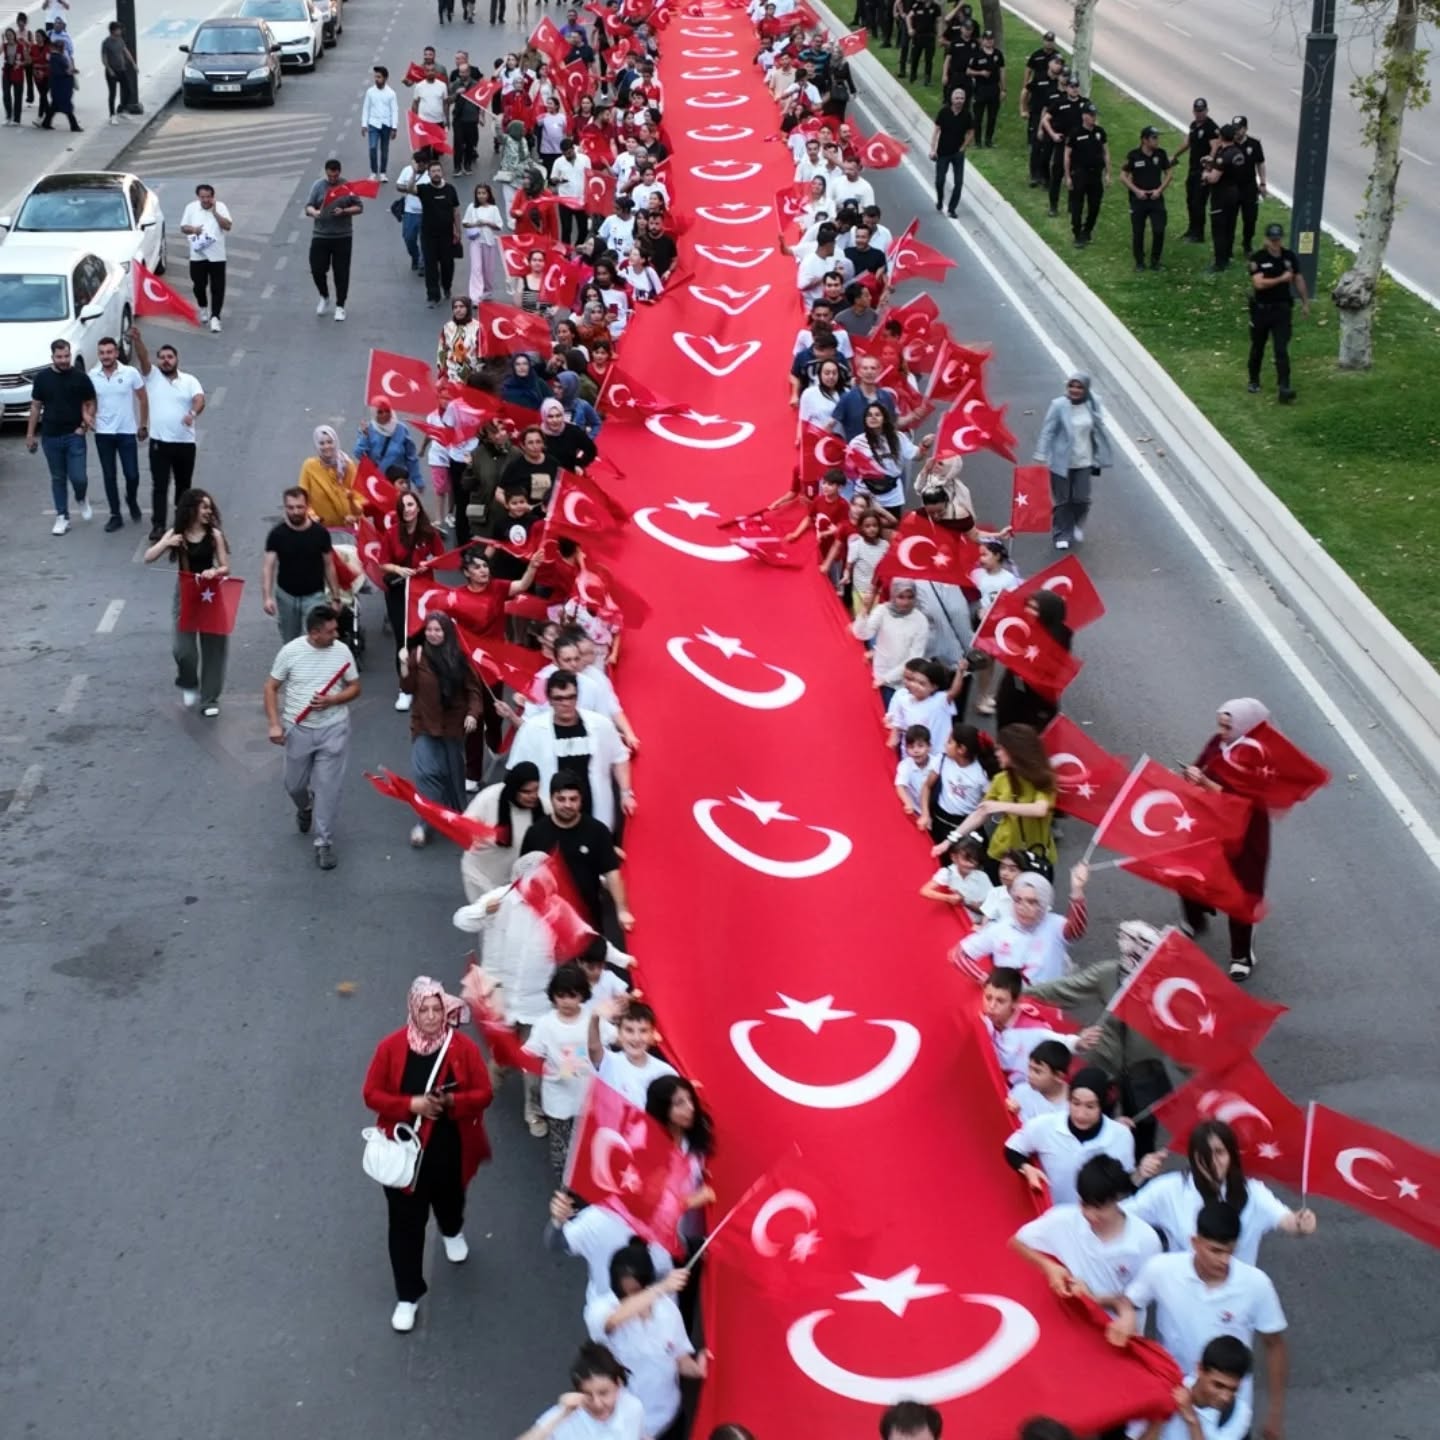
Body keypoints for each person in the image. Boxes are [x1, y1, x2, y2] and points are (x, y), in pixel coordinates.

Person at [362, 975, 493, 1333]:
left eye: (437, 1009)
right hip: (404, 1153)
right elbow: (371, 1094)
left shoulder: (462, 1048)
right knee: (405, 1226)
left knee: (451, 1199)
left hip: (450, 1148)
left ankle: (452, 1230)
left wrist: (451, 1102)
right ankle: (407, 1296)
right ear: (413, 1011)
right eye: (425, 1010)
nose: (432, 1016)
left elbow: (483, 1093)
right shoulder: (390, 1048)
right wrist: (412, 1105)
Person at [1108, 1201, 1288, 1440]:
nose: (1224, 1260)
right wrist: (1127, 1315)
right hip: (1171, 1394)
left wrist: (1275, 1412)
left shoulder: (1257, 1285)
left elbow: (1274, 1345)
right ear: (1195, 1242)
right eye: (1216, 1251)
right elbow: (1128, 1301)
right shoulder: (1161, 1269)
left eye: (1230, 1252)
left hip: (1224, 1413)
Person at [1026, 920, 1172, 1154]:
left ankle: (1137, 1172)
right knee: (1092, 1122)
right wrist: (1020, 993)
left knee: (1143, 1133)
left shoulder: (1168, 990)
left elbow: (1190, 1035)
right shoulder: (1108, 974)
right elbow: (1066, 989)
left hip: (1144, 1073)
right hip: (1104, 1065)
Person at [1126, 1120, 1317, 1268]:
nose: (1212, 1161)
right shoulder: (1168, 1189)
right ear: (1192, 1157)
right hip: (1183, 1294)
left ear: (1232, 1155)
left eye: (1219, 1152)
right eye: (1204, 1153)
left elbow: (1286, 1220)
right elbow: (1119, 1214)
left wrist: (1301, 1223)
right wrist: (1137, 1176)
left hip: (1238, 1297)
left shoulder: (1253, 1193)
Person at [263, 603, 360, 869]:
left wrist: (333, 700)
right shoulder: (290, 652)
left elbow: (355, 687)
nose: (336, 635)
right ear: (315, 633)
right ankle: (305, 807)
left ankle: (323, 842)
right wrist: (274, 724)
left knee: (328, 788)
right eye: (330, 631)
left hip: (334, 727)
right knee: (294, 785)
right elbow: (271, 687)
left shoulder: (342, 652)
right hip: (299, 729)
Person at [1180, 698, 1272, 978]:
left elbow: (1242, 799)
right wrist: (1191, 775)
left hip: (1245, 834)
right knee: (1189, 871)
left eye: (1228, 727)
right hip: (1210, 826)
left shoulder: (1257, 756)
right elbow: (1200, 767)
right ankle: (1194, 918)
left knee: (1241, 893)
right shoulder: (1216, 744)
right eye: (1220, 725)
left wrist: (1206, 783)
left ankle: (1241, 955)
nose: (1221, 732)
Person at [1012, 1155, 1163, 1314]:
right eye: (1085, 1204)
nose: (1090, 1215)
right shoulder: (1061, 1219)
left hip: (1116, 1326)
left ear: (1117, 1199)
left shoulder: (1146, 1240)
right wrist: (1049, 1267)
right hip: (1073, 1322)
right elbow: (1017, 1242)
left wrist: (1093, 1298)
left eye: (1099, 1207)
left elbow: (1139, 1299)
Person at [584, 1243, 704, 1439]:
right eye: (623, 1293)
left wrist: (698, 1369)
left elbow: (680, 1359)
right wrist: (662, 1288)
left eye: (636, 1291)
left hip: (669, 1418)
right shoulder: (600, 1311)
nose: (628, 1298)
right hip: (627, 1428)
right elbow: (612, 1320)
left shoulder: (667, 1311)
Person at [1005, 1067, 1156, 1204]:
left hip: (1092, 1221)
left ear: (1102, 1105)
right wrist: (1026, 1168)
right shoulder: (1044, 1125)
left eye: (1090, 1106)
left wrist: (1141, 1173)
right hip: (1049, 1215)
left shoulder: (1121, 1136)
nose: (1080, 1114)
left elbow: (1123, 1184)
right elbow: (1012, 1149)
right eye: (1075, 1103)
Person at [509, 672, 634, 834]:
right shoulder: (531, 730)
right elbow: (516, 772)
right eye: (559, 699)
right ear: (549, 700)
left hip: (594, 816)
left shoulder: (601, 725)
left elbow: (619, 757)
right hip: (549, 817)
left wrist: (626, 793)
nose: (566, 703)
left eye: (571, 697)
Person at [142, 488, 230, 716]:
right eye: (204, 507)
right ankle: (188, 681)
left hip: (210, 594)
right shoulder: (177, 534)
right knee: (183, 650)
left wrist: (215, 571)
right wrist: (166, 543)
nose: (208, 511)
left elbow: (225, 566)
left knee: (214, 649)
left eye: (210, 507)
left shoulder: (214, 535)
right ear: (191, 509)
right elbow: (148, 557)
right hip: (185, 593)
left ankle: (210, 700)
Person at [400, 612, 482, 843]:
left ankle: (455, 817)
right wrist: (404, 665)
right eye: (429, 630)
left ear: (447, 632)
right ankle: (425, 823)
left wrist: (472, 714)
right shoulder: (418, 655)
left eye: (438, 630)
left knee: (452, 775)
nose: (433, 634)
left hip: (453, 726)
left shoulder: (460, 658)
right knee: (426, 773)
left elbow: (473, 690)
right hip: (424, 724)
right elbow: (407, 688)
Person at [522, 771, 633, 931]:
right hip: (547, 920)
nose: (567, 805)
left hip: (588, 919)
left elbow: (612, 873)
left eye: (573, 799)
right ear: (551, 799)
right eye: (561, 799)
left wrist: (622, 910)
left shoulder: (598, 831)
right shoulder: (535, 833)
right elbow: (524, 875)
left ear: (581, 800)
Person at [941, 722, 1059, 872]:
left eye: (1001, 749)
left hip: (1033, 856)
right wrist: (949, 841)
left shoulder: (1043, 779)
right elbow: (981, 813)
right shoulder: (1001, 779)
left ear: (1015, 752)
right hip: (1001, 854)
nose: (997, 753)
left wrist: (1000, 806)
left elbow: (1040, 809)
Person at [131, 327, 205, 542]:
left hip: (185, 444)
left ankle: (182, 524)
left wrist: (192, 413)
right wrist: (137, 340)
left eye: (170, 357)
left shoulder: (189, 380)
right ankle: (158, 525)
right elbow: (143, 358)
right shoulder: (152, 377)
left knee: (184, 486)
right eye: (162, 357)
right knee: (160, 486)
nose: (166, 361)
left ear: (176, 359)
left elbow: (199, 399)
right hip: (160, 444)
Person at [958, 864, 1089, 984]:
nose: (1022, 907)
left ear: (1043, 904)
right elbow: (959, 955)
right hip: (1014, 1001)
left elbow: (1076, 931)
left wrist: (1077, 891)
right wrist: (987, 981)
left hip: (1048, 999)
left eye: (1031, 902)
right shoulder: (999, 929)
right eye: (1018, 900)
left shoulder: (1055, 924)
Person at [521, 962, 596, 1168]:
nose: (566, 1002)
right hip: (558, 1098)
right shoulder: (545, 1024)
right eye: (561, 996)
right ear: (553, 995)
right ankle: (564, 1180)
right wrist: (527, 1059)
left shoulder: (591, 1019)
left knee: (585, 1143)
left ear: (582, 995)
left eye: (572, 996)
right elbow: (531, 1051)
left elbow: (611, 1036)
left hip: (587, 1096)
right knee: (561, 1146)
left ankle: (581, 1176)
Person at [545, 1189, 675, 1308]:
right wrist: (557, 1221)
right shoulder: (598, 1219)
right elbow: (555, 1242)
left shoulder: (666, 1228)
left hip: (651, 1315)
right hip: (606, 1309)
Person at [1033, 372, 1113, 550]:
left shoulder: (1093, 403)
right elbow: (1048, 431)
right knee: (1062, 501)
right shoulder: (1058, 405)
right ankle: (1061, 534)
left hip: (1084, 461)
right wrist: (1041, 453)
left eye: (1079, 387)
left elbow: (1098, 428)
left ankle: (1076, 523)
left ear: (1086, 389)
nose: (1075, 390)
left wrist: (1101, 453)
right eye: (1071, 386)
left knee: (1082, 499)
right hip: (1061, 462)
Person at [25, 337, 94, 536]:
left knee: (79, 478)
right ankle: (62, 516)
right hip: (51, 437)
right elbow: (36, 406)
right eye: (59, 357)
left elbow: (90, 402)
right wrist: (30, 434)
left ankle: (81, 497)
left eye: (66, 356)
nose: (64, 360)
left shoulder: (80, 377)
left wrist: (84, 427)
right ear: (52, 357)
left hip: (74, 435)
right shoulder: (42, 378)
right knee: (58, 478)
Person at [515, 1342, 647, 1440]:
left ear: (618, 1384)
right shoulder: (564, 1416)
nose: (597, 1404)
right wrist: (562, 1415)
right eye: (588, 1395)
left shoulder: (633, 1407)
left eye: (603, 1393)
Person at [263, 486, 340, 642]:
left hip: (314, 596)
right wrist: (267, 597)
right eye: (291, 507)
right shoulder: (277, 534)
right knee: (290, 642)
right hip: (286, 596)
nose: (295, 512)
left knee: (317, 639)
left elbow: (329, 565)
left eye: (299, 507)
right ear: (285, 507)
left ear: (307, 506)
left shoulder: (320, 533)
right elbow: (268, 567)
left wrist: (336, 597)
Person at [1143, 1335, 1254, 1440]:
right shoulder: (1165, 1390)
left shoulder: (1239, 1414)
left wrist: (1192, 1421)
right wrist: (1160, 1416)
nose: (1225, 1397)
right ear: (1200, 1369)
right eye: (1218, 1385)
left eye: (1233, 1389)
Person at [87, 334, 146, 531]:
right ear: (98, 354)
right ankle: (115, 514)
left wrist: (143, 424)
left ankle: (132, 499)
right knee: (109, 475)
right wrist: (87, 417)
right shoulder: (92, 376)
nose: (106, 356)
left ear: (116, 353)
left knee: (132, 475)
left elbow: (143, 398)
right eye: (102, 353)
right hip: (103, 433)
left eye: (109, 352)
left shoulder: (130, 373)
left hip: (126, 432)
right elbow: (87, 401)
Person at [981, 966, 1076, 1088]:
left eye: (1000, 1001)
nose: (991, 1006)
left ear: (1015, 1003)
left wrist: (1078, 1043)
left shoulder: (1034, 1030)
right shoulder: (985, 1016)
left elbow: (1064, 1043)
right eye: (988, 997)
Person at [461, 761, 541, 899]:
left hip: (515, 883)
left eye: (536, 790)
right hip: (481, 877)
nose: (533, 796)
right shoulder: (488, 799)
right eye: (526, 792)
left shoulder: (542, 807)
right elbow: (464, 825)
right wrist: (477, 836)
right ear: (514, 789)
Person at [995, 590, 1071, 732]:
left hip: (1035, 702)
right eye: (1028, 606)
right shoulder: (1023, 626)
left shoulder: (1059, 638)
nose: (1028, 611)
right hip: (1012, 694)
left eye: (1035, 609)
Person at [1247, 223, 1308, 402]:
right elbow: (1259, 283)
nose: (1275, 243)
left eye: (1278, 239)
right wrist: (1281, 279)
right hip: (1261, 310)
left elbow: (1298, 278)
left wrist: (1305, 302)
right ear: (1266, 239)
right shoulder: (1258, 258)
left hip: (1282, 309)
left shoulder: (1289, 257)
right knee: (1257, 347)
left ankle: (1284, 386)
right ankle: (1254, 380)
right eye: (1272, 240)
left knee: (1281, 348)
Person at [853, 579, 931, 704]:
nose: (905, 602)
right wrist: (864, 609)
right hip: (877, 676)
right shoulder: (882, 611)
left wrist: (887, 678)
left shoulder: (921, 621)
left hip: (904, 685)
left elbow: (914, 658)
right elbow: (861, 634)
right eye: (901, 597)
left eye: (910, 597)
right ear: (893, 595)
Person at [304, 159, 364, 320]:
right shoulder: (318, 186)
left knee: (341, 272)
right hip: (320, 235)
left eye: (335, 176)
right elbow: (308, 206)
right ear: (326, 173)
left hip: (342, 236)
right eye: (330, 176)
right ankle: (324, 296)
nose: (332, 179)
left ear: (339, 172)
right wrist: (314, 212)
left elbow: (359, 207)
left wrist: (344, 211)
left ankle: (340, 306)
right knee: (317, 269)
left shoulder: (347, 187)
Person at [587, 999, 674, 1109]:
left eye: (643, 1031)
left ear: (652, 1033)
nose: (636, 1038)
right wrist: (595, 1017)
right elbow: (593, 1047)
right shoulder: (609, 1062)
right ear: (619, 1032)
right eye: (629, 1030)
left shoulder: (665, 1072)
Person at [180, 183, 233, 334]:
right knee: (199, 286)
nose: (205, 200)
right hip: (198, 255)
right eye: (202, 197)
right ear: (198, 197)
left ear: (213, 197)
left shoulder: (221, 207)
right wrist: (194, 229)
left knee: (218, 288)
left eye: (208, 197)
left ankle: (215, 317)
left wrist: (215, 213)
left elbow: (228, 226)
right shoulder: (191, 208)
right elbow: (183, 227)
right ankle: (203, 307)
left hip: (217, 256)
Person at [1122, 126, 1171, 272]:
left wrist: (1160, 190)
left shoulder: (1161, 154)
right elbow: (1123, 176)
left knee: (1159, 230)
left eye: (1157, 137)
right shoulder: (1133, 155)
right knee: (1138, 232)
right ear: (1144, 140)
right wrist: (1136, 191)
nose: (1157, 140)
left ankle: (1155, 262)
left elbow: (1169, 174)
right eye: (1154, 138)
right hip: (1139, 199)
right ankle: (1139, 262)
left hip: (1156, 198)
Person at [416, 159, 462, 307]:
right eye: (433, 171)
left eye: (438, 171)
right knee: (430, 265)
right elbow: (408, 189)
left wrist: (458, 231)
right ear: (429, 174)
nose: (436, 173)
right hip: (428, 235)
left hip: (447, 234)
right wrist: (414, 174)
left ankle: (447, 286)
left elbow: (456, 211)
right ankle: (433, 295)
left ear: (442, 172)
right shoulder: (423, 189)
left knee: (447, 264)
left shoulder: (450, 189)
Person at [1174, 98, 1219, 244]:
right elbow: (1187, 143)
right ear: (1193, 111)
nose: (1199, 113)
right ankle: (1191, 229)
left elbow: (1214, 148)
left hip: (1203, 171)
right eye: (1197, 111)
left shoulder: (1211, 127)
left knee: (1198, 202)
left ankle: (1198, 234)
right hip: (1193, 169)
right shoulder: (1193, 125)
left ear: (1206, 110)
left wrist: (1208, 167)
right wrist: (1175, 155)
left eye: (1202, 111)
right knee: (1190, 200)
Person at [1202, 123, 1246, 274]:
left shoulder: (1223, 156)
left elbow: (1214, 178)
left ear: (1221, 136)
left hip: (1221, 195)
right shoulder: (1238, 153)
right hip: (1235, 192)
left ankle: (1219, 263)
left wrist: (1205, 175)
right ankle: (1227, 256)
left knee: (1219, 229)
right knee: (1230, 226)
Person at [1064, 102, 1109, 248]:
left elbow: (1106, 153)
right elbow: (1067, 155)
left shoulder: (1100, 132)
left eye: (1095, 115)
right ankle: (1077, 233)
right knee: (1077, 206)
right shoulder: (1075, 133)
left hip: (1095, 174)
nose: (1094, 118)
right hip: (1079, 174)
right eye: (1091, 115)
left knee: (1095, 205)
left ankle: (1087, 230)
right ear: (1084, 116)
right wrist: (1068, 176)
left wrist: (1108, 173)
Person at [929, 86, 974, 216]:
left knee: (958, 183)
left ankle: (952, 208)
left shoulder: (967, 115)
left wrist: (963, 147)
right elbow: (936, 131)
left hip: (958, 154)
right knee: (939, 181)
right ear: (952, 99)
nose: (959, 100)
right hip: (943, 152)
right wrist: (933, 149)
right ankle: (940, 200)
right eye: (957, 98)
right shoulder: (944, 112)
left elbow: (971, 132)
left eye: (962, 98)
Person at [1006, 1038, 1071, 1121]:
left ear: (1058, 1076)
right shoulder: (1020, 1092)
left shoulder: (1072, 1108)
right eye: (1030, 1068)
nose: (1030, 1075)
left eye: (1037, 1071)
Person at [1231, 115, 1267, 254]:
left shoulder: (1254, 144)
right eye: (1234, 128)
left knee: (1250, 218)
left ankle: (1247, 243)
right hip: (1232, 187)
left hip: (1249, 187)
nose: (1236, 131)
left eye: (1239, 129)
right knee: (1230, 218)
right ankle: (1228, 246)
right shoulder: (1229, 143)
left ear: (1245, 129)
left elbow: (1260, 163)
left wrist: (1262, 183)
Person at [462, 182, 503, 301]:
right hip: (476, 241)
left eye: (483, 193)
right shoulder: (472, 207)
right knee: (476, 268)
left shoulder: (494, 209)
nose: (481, 195)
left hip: (489, 242)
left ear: (488, 194)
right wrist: (475, 224)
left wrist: (487, 223)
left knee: (488, 270)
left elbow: (498, 226)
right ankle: (475, 296)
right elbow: (465, 223)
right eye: (479, 193)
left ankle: (487, 291)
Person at [355, 403, 420, 477]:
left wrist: (417, 479)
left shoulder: (401, 429)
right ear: (374, 414)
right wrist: (364, 436)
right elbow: (359, 454)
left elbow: (411, 457)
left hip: (398, 479)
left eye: (387, 411)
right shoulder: (367, 429)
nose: (384, 414)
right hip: (378, 478)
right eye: (380, 412)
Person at [966, 31, 1005, 147]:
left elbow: (1002, 71)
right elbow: (968, 71)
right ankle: (977, 141)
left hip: (994, 88)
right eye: (987, 39)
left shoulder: (998, 54)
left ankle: (988, 140)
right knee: (978, 116)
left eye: (991, 39)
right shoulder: (977, 54)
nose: (989, 41)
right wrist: (980, 73)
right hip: (980, 88)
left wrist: (1003, 89)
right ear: (983, 40)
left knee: (992, 117)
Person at [362, 65, 400, 180]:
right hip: (373, 124)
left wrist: (394, 128)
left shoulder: (391, 93)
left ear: (385, 78)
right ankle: (373, 172)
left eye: (379, 77)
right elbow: (366, 108)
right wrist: (364, 124)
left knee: (384, 150)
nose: (376, 79)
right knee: (372, 148)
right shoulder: (370, 92)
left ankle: (383, 173)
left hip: (386, 125)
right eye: (375, 77)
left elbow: (394, 111)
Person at [396, 146, 430, 272]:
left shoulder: (431, 173)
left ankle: (423, 263)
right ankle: (416, 257)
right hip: (410, 212)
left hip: (427, 213)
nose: (420, 166)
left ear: (426, 164)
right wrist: (410, 189)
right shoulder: (407, 170)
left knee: (426, 241)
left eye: (422, 163)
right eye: (417, 163)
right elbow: (398, 186)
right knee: (408, 238)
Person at [35, 31, 76, 129]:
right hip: (59, 86)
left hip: (61, 86)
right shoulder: (55, 58)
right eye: (61, 47)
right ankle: (74, 126)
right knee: (66, 107)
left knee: (55, 107)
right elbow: (57, 72)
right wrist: (68, 72)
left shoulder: (58, 57)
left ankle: (46, 123)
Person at [100, 21, 137, 122]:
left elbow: (126, 52)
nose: (120, 31)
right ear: (113, 31)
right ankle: (112, 115)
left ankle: (122, 110)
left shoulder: (120, 40)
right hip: (112, 71)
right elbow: (104, 58)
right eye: (118, 29)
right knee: (113, 93)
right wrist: (109, 69)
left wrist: (133, 64)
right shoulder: (106, 43)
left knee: (128, 90)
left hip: (122, 69)